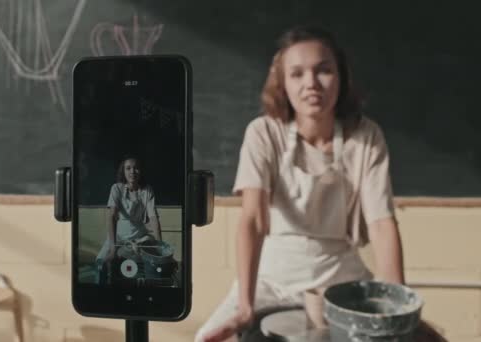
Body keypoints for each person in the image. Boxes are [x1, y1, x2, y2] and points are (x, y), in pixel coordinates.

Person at [195, 25, 407, 342]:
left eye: (323, 71)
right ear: (282, 82)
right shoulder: (263, 133)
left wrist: (397, 309)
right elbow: (253, 221)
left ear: (341, 76)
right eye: (297, 74)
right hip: (273, 278)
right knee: (206, 339)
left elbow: (380, 223)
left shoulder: (366, 137)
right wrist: (245, 306)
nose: (311, 84)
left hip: (341, 279)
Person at [96, 156, 162, 282]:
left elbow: (153, 217)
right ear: (123, 172)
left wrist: (160, 245)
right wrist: (113, 247)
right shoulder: (116, 188)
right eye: (128, 168)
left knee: (154, 265)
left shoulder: (147, 190)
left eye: (136, 168)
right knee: (101, 263)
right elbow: (111, 216)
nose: (132, 171)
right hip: (118, 236)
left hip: (140, 237)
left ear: (141, 171)